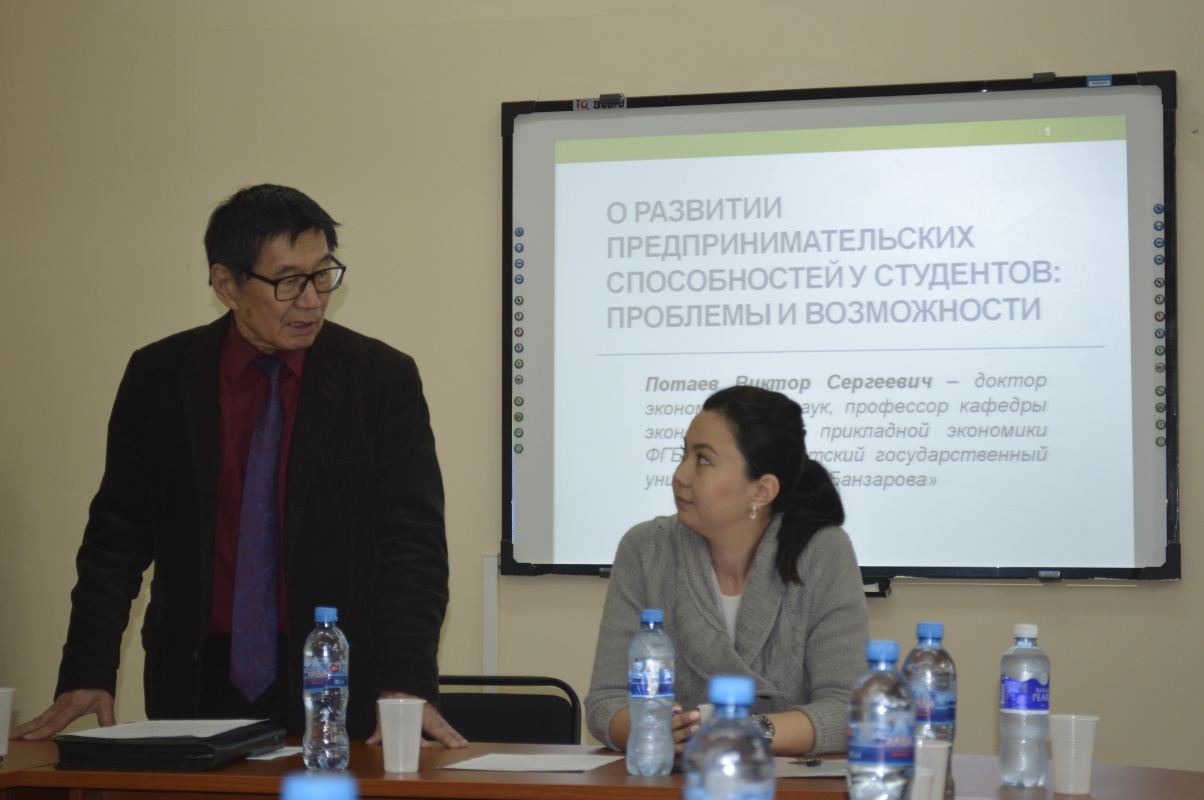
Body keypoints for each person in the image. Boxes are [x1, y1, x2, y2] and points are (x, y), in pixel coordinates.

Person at [12, 184, 466, 748]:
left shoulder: (379, 380)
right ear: (226, 284)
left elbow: (413, 544)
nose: (312, 301)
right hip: (193, 680)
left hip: (334, 683)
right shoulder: (160, 378)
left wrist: (406, 682)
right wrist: (88, 667)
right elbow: (117, 535)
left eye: (323, 274)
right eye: (288, 281)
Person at [585, 385, 869, 756]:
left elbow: (850, 709)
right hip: (677, 781)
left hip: (784, 782)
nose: (680, 475)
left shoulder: (821, 551)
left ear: (762, 491)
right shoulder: (646, 549)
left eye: (703, 460)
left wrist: (744, 732)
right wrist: (652, 729)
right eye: (684, 454)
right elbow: (607, 703)